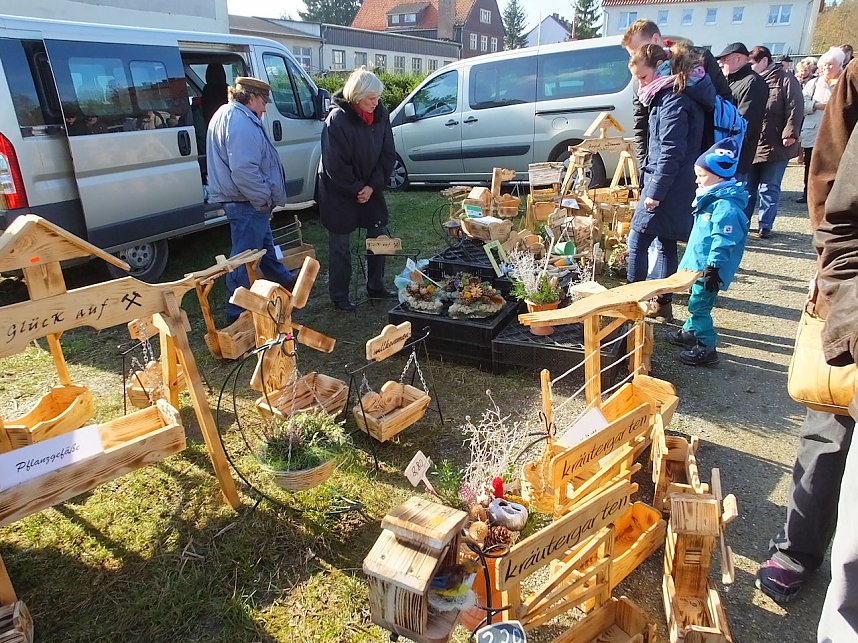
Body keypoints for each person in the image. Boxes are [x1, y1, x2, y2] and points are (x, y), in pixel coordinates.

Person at [755, 58, 857, 609]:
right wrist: (841, 289)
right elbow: (831, 187)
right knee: (829, 432)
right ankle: (798, 550)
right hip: (855, 307)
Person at [621, 19, 732, 321]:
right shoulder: (676, 91)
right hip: (679, 182)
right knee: (666, 240)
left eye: (643, 77)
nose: (640, 85)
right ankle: (663, 303)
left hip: (667, 181)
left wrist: (653, 192)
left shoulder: (671, 97)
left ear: (658, 68)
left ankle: (631, 306)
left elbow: (670, 151)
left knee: (637, 239)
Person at [206, 76, 296, 324]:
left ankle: (284, 281)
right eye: (264, 101)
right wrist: (263, 199)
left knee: (263, 244)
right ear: (251, 97)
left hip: (245, 201)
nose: (265, 107)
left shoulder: (231, 115)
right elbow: (245, 169)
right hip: (246, 201)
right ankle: (237, 312)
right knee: (244, 258)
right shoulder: (239, 121)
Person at [317, 67, 396, 312]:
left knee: (380, 235)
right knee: (340, 244)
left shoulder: (381, 115)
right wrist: (356, 188)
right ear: (357, 96)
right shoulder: (337, 120)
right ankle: (339, 295)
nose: (376, 102)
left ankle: (376, 285)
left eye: (378, 98)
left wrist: (372, 186)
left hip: (370, 187)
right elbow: (335, 164)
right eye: (371, 98)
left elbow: (387, 154)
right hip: (338, 191)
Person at [668, 138, 749, 365]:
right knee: (696, 298)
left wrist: (713, 267)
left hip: (709, 269)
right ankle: (690, 332)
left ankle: (707, 347)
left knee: (699, 305)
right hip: (699, 266)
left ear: (719, 175)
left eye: (701, 175)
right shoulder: (711, 200)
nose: (697, 180)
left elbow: (723, 240)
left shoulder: (725, 207)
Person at [745, 46, 804, 238]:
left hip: (777, 143)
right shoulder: (753, 81)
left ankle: (765, 224)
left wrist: (790, 133)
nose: (750, 66)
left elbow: (795, 108)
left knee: (769, 186)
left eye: (752, 63)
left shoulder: (785, 79)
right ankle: (743, 222)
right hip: (755, 142)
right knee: (748, 187)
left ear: (764, 61)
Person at [798, 46, 846, 203]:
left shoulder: (844, 83)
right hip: (814, 130)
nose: (827, 67)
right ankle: (808, 194)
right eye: (824, 64)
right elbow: (801, 103)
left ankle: (829, 196)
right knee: (811, 164)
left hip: (835, 132)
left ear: (840, 65)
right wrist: (817, 105)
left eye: (831, 64)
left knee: (832, 166)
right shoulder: (813, 83)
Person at [715, 42, 769, 181]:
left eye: (724, 60)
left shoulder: (752, 82)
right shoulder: (732, 80)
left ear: (738, 59)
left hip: (737, 153)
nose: (721, 64)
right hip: (726, 149)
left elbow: (745, 122)